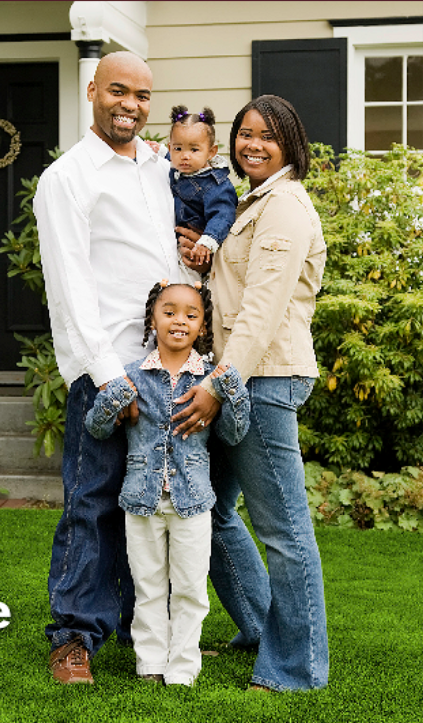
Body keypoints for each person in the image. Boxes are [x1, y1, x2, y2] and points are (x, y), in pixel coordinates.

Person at [33, 51, 195, 685]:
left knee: (154, 502)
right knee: (93, 501)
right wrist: (107, 376)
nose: (131, 104)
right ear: (93, 90)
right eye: (119, 91)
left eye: (143, 96)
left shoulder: (159, 166)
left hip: (167, 364)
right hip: (107, 368)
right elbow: (70, 288)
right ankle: (74, 637)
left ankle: (139, 627)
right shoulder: (68, 178)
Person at [172, 94, 329, 692]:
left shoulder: (285, 206)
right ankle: (261, 629)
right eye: (244, 134)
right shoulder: (251, 205)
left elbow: (262, 311)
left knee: (284, 531)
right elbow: (237, 289)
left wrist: (219, 382)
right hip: (240, 374)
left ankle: (296, 666)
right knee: (206, 508)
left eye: (267, 134)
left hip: (260, 380)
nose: (252, 144)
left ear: (290, 142)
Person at [85, 280, 249, 686]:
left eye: (191, 315)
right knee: (149, 587)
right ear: (153, 319)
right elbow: (97, 427)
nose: (180, 321)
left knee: (191, 589)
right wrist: (113, 396)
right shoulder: (130, 375)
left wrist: (231, 389)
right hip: (141, 501)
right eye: (170, 312)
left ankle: (182, 669)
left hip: (192, 502)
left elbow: (233, 434)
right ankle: (150, 665)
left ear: (203, 328)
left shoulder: (211, 381)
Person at [168, 105, 238, 267]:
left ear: (211, 152)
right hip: (174, 246)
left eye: (194, 149)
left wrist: (207, 242)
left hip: (198, 248)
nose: (185, 156)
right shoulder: (177, 169)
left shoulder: (215, 184)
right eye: (178, 148)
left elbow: (223, 215)